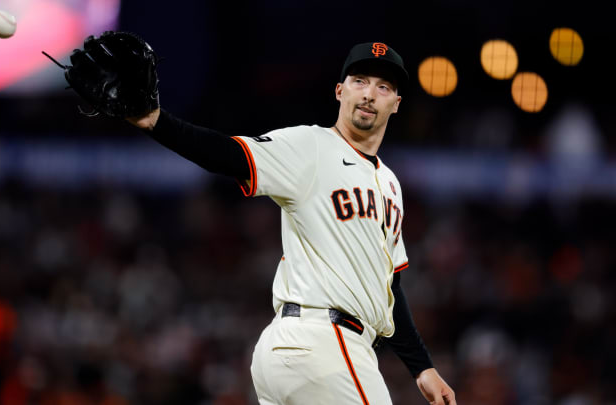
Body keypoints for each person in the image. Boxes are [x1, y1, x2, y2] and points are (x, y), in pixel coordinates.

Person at [127, 42, 455, 405]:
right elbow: (228, 155)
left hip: (295, 353)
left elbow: (389, 287)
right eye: (360, 80)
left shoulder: (391, 184)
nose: (369, 94)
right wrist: (156, 122)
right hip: (324, 343)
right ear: (339, 90)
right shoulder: (311, 145)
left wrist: (422, 369)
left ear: (396, 103)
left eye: (383, 87)